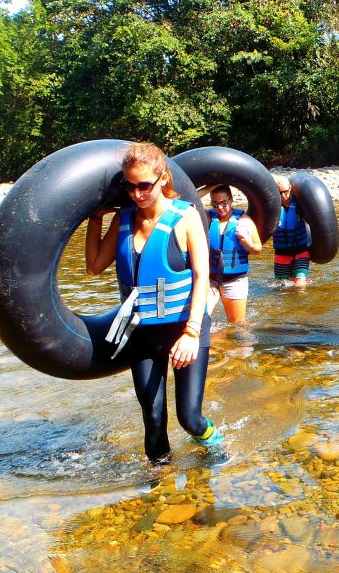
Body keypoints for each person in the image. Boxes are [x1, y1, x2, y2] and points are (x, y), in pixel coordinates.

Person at [85, 142, 223, 462]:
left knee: (189, 419)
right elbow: (94, 267)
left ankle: (217, 447)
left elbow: (203, 276)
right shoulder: (124, 219)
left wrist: (191, 332)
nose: (137, 194)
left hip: (184, 329)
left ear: (162, 178)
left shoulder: (185, 216)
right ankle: (158, 491)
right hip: (141, 332)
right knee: (153, 421)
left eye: (144, 185)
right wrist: (95, 219)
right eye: (129, 186)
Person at [206, 185, 261, 323]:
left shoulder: (244, 220)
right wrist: (209, 187)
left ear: (231, 200)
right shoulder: (207, 217)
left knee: (237, 325)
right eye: (215, 203)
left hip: (234, 280)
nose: (219, 207)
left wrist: (247, 243)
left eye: (223, 203)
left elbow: (257, 249)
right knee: (200, 320)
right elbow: (186, 201)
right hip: (210, 280)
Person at [272, 175, 311, 286]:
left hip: (301, 251)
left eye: (286, 191)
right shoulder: (272, 209)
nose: (285, 196)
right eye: (280, 193)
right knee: (282, 288)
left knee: (300, 286)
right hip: (281, 253)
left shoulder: (301, 205)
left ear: (290, 188)